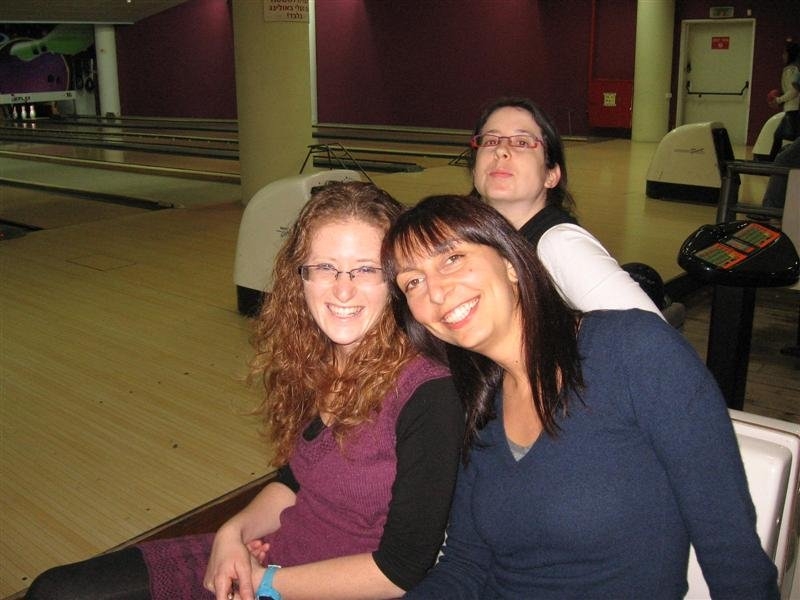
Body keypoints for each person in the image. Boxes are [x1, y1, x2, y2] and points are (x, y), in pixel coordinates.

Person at [24, 181, 464, 600]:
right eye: (325, 267)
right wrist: (232, 533)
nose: (343, 288)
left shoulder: (429, 395)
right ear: (300, 277)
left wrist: (267, 582)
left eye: (366, 269)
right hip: (275, 552)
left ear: (395, 280)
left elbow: (400, 570)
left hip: (321, 584)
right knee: (56, 589)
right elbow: (295, 479)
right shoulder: (321, 359)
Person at [382, 193, 780, 599]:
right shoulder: (479, 404)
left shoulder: (633, 351)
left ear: (509, 262)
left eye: (452, 258)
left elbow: (733, 554)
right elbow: (465, 564)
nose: (436, 291)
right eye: (413, 281)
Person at [467, 96, 663, 317]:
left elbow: (653, 334)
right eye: (490, 141)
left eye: (522, 142)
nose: (501, 150)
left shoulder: (560, 244)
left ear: (551, 175)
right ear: (474, 170)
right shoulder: (471, 238)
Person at [768, 41, 800, 161]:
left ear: (790, 54)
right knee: (779, 135)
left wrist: (778, 100)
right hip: (792, 109)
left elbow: (794, 91)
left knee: (784, 136)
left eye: (785, 53)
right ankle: (773, 162)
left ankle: (773, 162)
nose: (783, 56)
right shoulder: (794, 69)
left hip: (794, 109)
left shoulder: (791, 70)